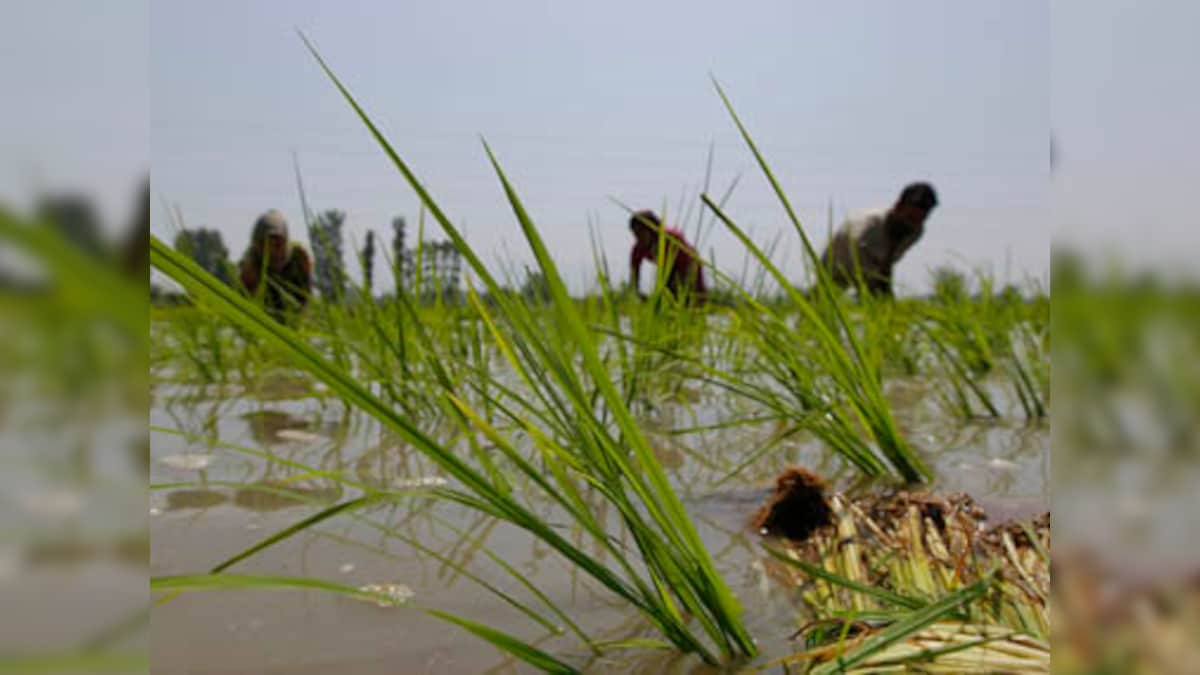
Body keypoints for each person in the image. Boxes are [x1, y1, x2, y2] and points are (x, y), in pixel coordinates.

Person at [820, 182, 939, 297]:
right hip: (838, 263)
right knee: (822, 300)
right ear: (898, 206)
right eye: (909, 217)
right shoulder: (865, 230)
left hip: (873, 268)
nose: (911, 224)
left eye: (919, 220)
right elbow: (866, 280)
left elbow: (887, 265)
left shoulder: (916, 232)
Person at [239, 209, 313, 320]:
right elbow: (244, 305)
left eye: (278, 244)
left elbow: (306, 297)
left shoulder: (300, 257)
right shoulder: (251, 266)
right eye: (267, 244)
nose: (274, 251)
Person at [628, 210, 707, 305]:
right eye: (635, 234)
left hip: (689, 266)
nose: (638, 238)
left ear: (652, 229)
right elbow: (634, 275)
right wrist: (637, 294)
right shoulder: (638, 248)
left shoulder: (671, 238)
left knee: (695, 301)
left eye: (641, 233)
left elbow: (682, 268)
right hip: (668, 270)